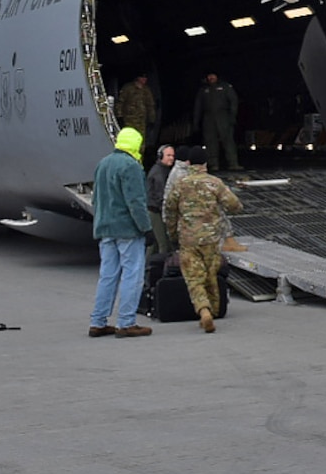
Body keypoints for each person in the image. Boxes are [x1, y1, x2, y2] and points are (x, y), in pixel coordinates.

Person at [162, 148, 245, 333]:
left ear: (189, 164)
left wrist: (173, 234)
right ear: (205, 164)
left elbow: (169, 211)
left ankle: (204, 310)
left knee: (194, 278)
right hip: (211, 239)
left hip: (188, 239)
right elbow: (235, 205)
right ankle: (214, 311)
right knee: (210, 275)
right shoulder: (215, 183)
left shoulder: (180, 183)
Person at [89, 127, 153, 338]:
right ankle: (126, 322)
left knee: (107, 276)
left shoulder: (103, 163)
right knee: (132, 275)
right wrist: (146, 228)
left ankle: (98, 322)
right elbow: (136, 202)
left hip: (105, 229)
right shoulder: (131, 166)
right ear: (136, 144)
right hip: (127, 230)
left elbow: (96, 198)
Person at [195, 73, 242, 172]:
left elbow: (234, 101)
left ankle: (233, 163)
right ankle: (213, 164)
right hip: (208, 118)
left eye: (213, 75)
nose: (211, 78)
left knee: (228, 141)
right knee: (210, 142)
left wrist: (232, 117)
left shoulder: (225, 87)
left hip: (223, 116)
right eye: (209, 76)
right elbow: (198, 107)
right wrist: (196, 122)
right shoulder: (203, 89)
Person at [116, 75, 158, 155]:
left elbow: (150, 105)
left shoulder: (146, 90)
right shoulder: (128, 88)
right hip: (129, 120)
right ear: (138, 78)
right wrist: (119, 116)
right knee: (129, 141)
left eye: (146, 77)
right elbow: (120, 102)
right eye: (143, 77)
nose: (145, 79)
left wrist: (152, 119)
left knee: (141, 143)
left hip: (141, 121)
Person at [146, 144, 176, 255]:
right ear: (160, 156)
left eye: (173, 155)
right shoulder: (159, 173)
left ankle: (146, 268)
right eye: (168, 155)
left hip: (154, 210)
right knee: (163, 244)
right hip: (156, 211)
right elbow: (161, 195)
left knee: (154, 244)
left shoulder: (162, 170)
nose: (171, 158)